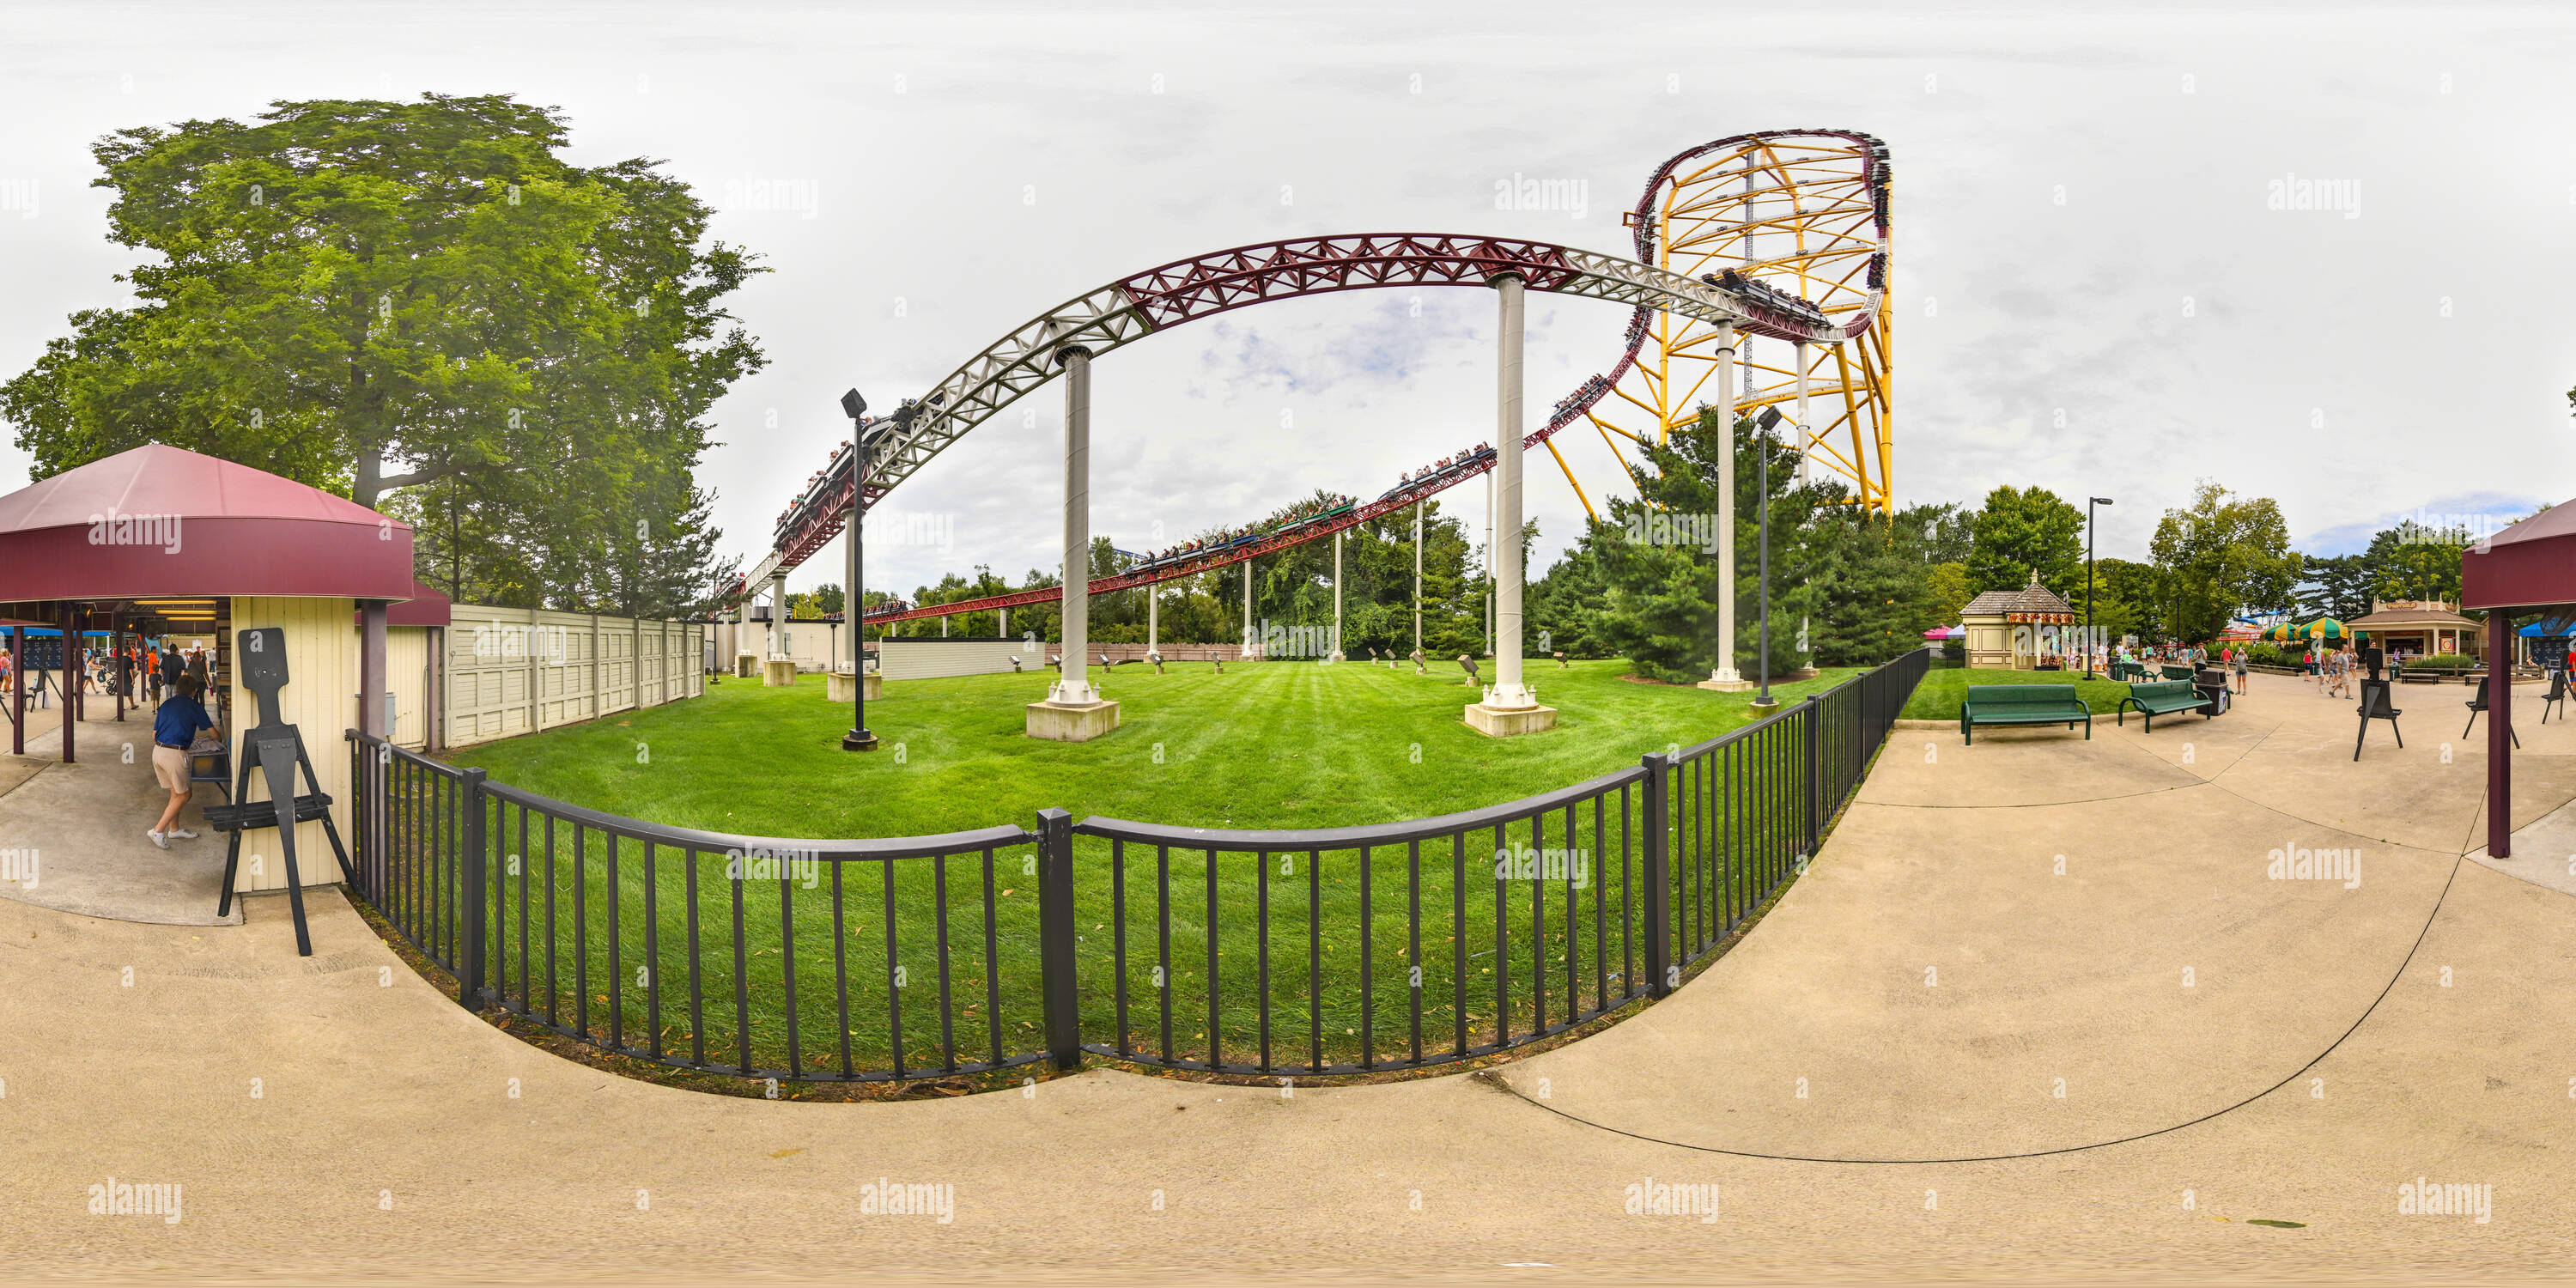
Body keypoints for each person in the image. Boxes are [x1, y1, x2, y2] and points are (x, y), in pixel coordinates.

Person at [149, 673, 221, 850]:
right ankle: (158, 830)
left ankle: (174, 829)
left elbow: (154, 735)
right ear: (194, 691)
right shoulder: (194, 706)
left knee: (175, 794)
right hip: (174, 754)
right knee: (184, 795)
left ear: (178, 689)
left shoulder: (166, 705)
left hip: (157, 752)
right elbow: (214, 735)